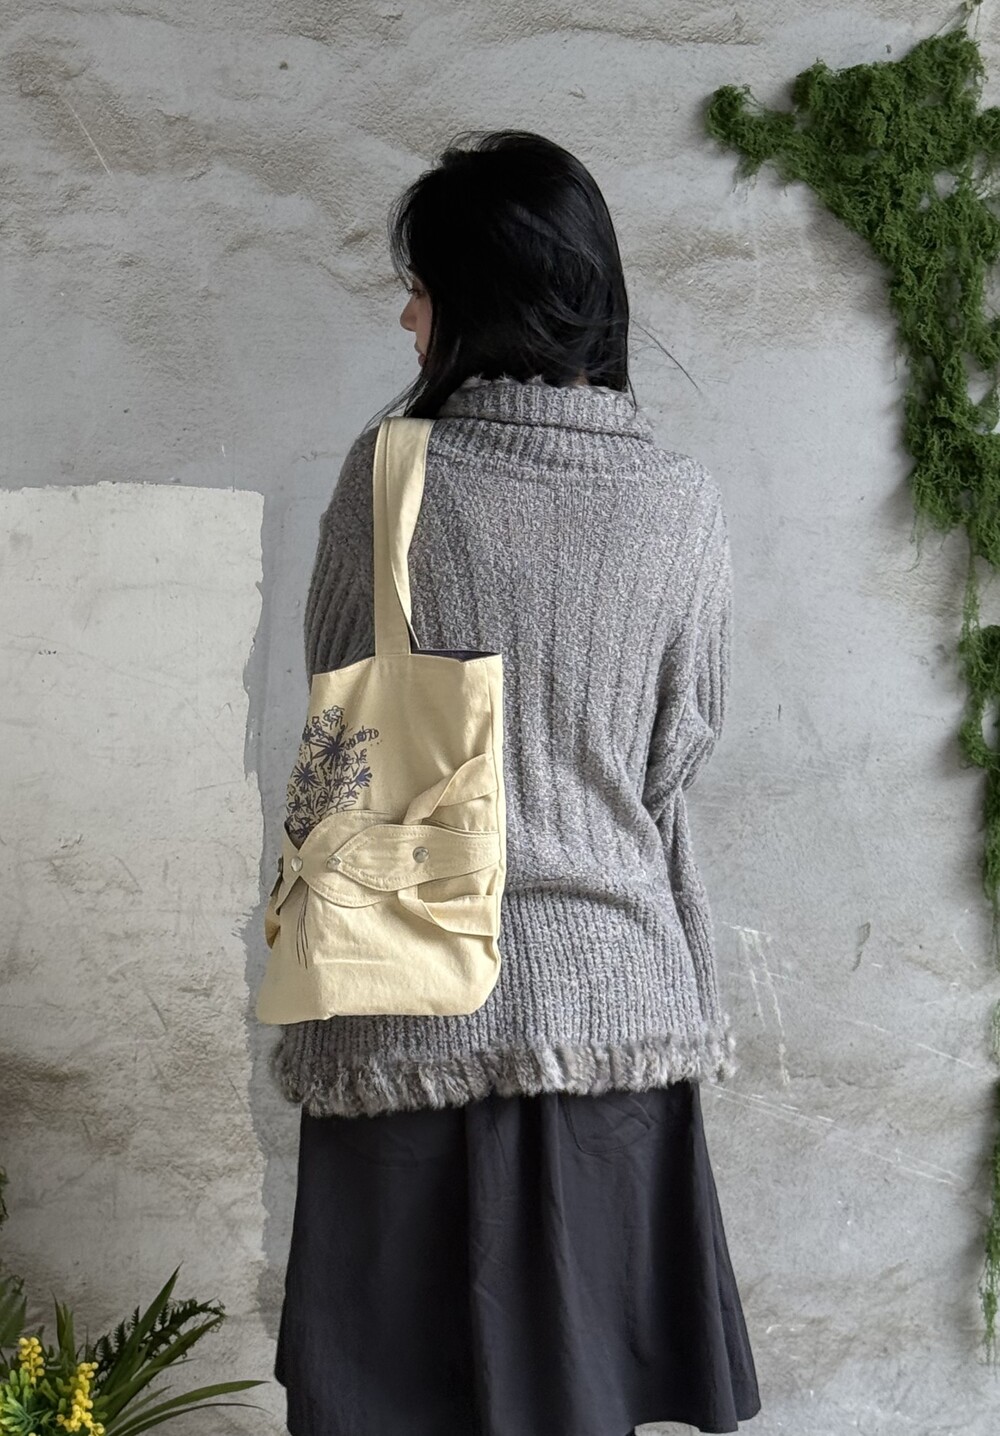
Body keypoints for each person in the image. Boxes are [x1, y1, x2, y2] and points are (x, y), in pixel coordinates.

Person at [270, 128, 761, 1436]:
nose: (407, 316)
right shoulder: (679, 501)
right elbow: (677, 754)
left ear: (477, 301)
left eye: (422, 286)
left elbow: (343, 734)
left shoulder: (391, 480)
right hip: (617, 1020)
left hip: (409, 1013)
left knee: (390, 1405)